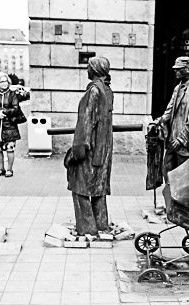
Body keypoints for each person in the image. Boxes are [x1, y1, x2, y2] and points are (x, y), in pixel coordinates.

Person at [65, 56, 114, 235]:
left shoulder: (94, 91)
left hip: (90, 149)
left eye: (89, 67)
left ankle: (87, 228)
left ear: (95, 70)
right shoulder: (107, 90)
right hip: (103, 150)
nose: (87, 70)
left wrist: (77, 151)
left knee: (80, 189)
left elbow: (86, 123)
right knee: (98, 189)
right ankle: (101, 224)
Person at [152, 56, 189, 183]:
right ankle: (170, 200)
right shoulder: (177, 88)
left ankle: (180, 202)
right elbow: (169, 109)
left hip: (185, 143)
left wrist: (181, 139)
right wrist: (160, 120)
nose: (176, 71)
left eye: (179, 69)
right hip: (172, 139)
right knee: (167, 170)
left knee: (184, 177)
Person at [0, 72, 21, 178]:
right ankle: (1, 169)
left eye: (6, 81)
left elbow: (16, 108)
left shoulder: (12, 94)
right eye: (2, 81)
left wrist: (4, 112)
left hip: (9, 126)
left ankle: (9, 169)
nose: (4, 83)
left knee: (10, 148)